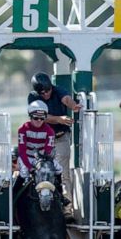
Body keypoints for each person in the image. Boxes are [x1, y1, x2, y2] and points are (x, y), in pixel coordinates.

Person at [26, 73, 79, 216]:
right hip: (41, 141)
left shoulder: (58, 90)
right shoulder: (33, 98)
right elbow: (41, 116)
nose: (46, 94)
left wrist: (74, 106)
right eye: (42, 92)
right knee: (37, 172)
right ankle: (37, 204)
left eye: (48, 90)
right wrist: (59, 119)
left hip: (60, 138)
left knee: (63, 174)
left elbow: (66, 99)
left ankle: (67, 209)